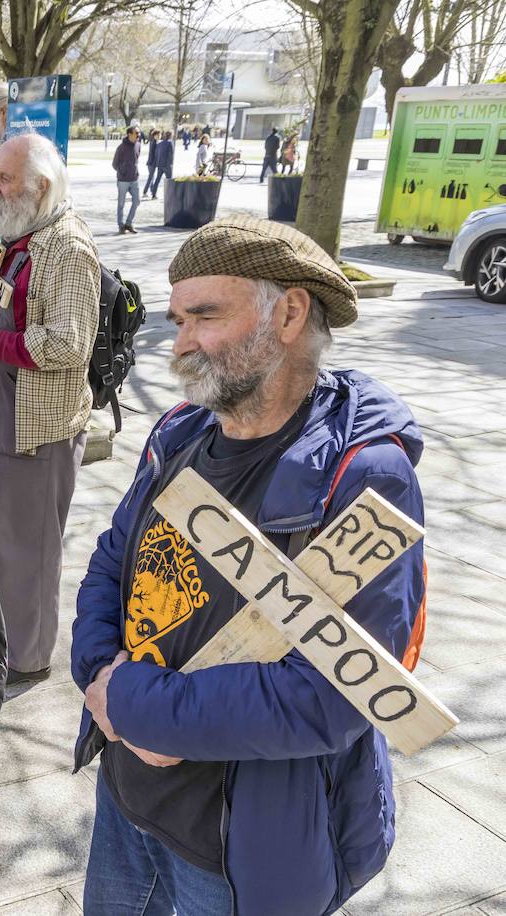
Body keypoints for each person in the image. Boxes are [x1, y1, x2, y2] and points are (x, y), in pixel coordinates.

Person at [72, 215, 424, 916]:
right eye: (178, 320)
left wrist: (137, 707)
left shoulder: (364, 478)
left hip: (239, 851)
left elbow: (333, 696)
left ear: (290, 312)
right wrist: (97, 674)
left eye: (205, 316)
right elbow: (113, 560)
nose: (180, 345)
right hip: (126, 795)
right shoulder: (180, 431)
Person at [0, 133, 99, 683]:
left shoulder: (68, 247)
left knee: (31, 547)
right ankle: (11, 639)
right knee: (10, 539)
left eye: (5, 179)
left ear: (40, 185)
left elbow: (70, 343)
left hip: (41, 425)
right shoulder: (25, 234)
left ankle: (28, 657)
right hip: (10, 412)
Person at [112, 125, 142, 234]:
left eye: (139, 133)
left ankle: (129, 223)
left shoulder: (138, 145)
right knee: (121, 204)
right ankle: (121, 226)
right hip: (123, 181)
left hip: (134, 179)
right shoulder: (121, 148)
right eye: (136, 133)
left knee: (136, 201)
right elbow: (114, 164)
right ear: (129, 134)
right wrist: (123, 172)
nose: (138, 135)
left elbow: (136, 160)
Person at [147, 130, 174, 199]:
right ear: (171, 135)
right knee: (169, 181)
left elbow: (156, 154)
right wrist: (171, 164)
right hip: (167, 165)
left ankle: (153, 194)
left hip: (160, 165)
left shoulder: (160, 143)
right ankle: (170, 195)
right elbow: (171, 155)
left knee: (157, 180)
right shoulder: (170, 143)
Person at [143, 128, 161, 202]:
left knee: (151, 178)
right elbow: (154, 154)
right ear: (156, 135)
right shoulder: (154, 143)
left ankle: (152, 192)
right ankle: (145, 192)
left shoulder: (153, 142)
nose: (160, 136)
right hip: (152, 163)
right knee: (150, 178)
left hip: (151, 163)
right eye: (159, 135)